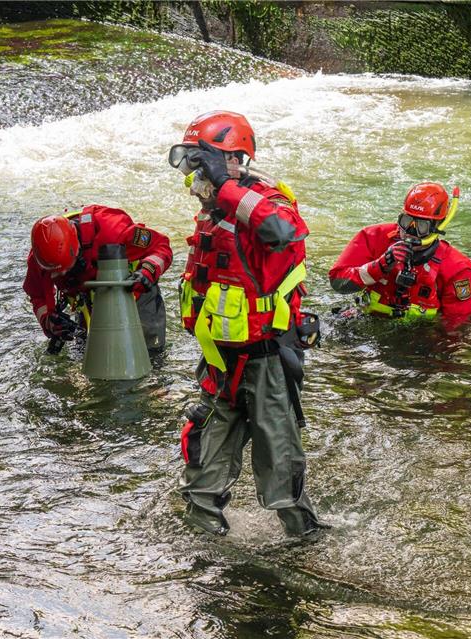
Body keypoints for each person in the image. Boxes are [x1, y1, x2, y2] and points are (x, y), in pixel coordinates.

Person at [169, 111, 325, 536]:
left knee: (281, 467)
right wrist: (218, 189)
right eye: (194, 164)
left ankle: (305, 542)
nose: (195, 175)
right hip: (219, 362)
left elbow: (283, 230)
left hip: (267, 360)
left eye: (205, 163)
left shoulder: (266, 201)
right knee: (203, 459)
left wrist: (227, 186)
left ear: (234, 160)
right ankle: (203, 546)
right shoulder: (213, 209)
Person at [328, 182, 471, 331]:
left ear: (437, 227)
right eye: (406, 222)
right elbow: (337, 282)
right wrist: (379, 267)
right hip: (369, 323)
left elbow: (457, 328)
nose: (410, 232)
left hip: (421, 337)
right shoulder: (373, 237)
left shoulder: (458, 269)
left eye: (421, 226)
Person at [23, 205, 172, 352]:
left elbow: (161, 246)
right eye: (55, 273)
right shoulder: (40, 256)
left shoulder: (112, 230)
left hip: (135, 293)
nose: (61, 275)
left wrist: (147, 271)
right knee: (88, 355)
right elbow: (37, 295)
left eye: (65, 269)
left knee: (149, 354)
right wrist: (49, 323)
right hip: (86, 301)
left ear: (77, 248)